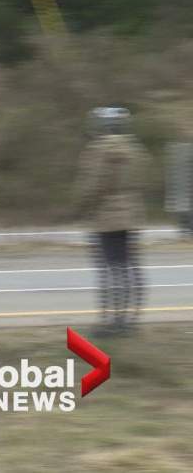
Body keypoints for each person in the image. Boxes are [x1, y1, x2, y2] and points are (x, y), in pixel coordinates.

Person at [75, 107, 150, 334]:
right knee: (130, 268)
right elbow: (145, 179)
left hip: (105, 217)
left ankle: (110, 321)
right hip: (132, 215)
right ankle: (131, 321)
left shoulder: (96, 150)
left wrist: (81, 206)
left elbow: (92, 185)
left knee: (108, 270)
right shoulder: (136, 150)